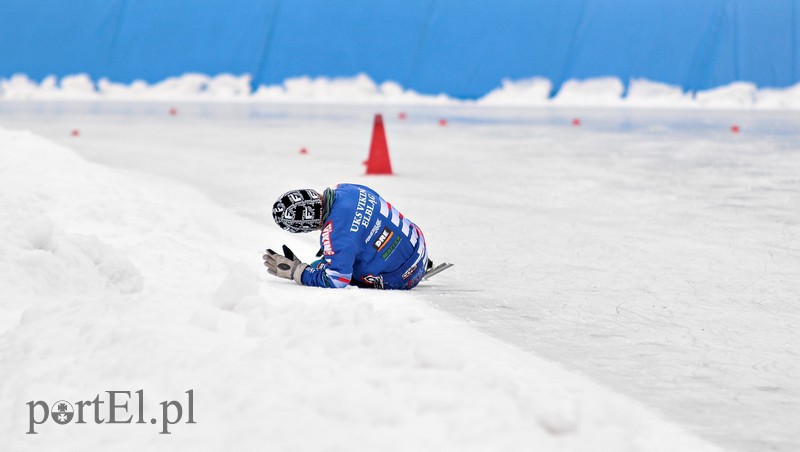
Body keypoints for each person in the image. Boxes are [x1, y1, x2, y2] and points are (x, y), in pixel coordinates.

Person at [264, 183, 429, 289]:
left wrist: (297, 271)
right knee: (348, 250)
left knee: (323, 269)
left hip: (402, 277)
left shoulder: (334, 235)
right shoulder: (348, 189)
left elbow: (337, 280)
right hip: (418, 245)